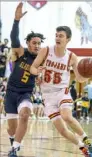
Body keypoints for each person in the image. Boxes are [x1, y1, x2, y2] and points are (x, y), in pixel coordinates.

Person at [30, 26, 92, 157]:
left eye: (61, 36)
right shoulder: (46, 50)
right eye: (56, 35)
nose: (57, 38)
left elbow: (79, 78)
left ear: (68, 39)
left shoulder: (72, 57)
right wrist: (36, 71)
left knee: (67, 116)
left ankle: (86, 139)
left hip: (62, 91)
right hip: (47, 96)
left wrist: (89, 75)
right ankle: (83, 149)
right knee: (62, 130)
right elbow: (33, 67)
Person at [4, 2, 45, 157]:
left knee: (26, 114)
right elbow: (14, 38)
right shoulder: (22, 53)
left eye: (39, 43)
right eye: (34, 43)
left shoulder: (42, 59)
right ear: (28, 43)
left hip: (25, 93)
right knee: (11, 129)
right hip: (11, 92)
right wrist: (16, 20)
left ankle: (14, 148)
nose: (37, 46)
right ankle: (13, 140)